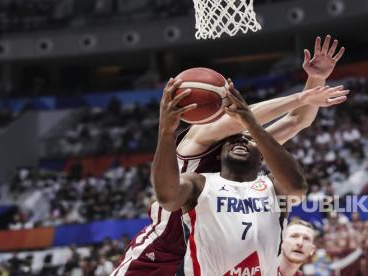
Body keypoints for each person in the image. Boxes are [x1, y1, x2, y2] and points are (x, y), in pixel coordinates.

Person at [112, 35, 347, 275]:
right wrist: (300, 97)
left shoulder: (248, 148)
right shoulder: (199, 137)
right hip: (165, 248)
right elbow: (238, 119)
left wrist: (316, 78)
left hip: (210, 253)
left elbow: (298, 120)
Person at [154, 77, 307, 275]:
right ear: (219, 154)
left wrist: (252, 124)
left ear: (261, 154)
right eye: (232, 141)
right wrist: (166, 133)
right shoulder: (199, 184)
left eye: (248, 140)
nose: (240, 142)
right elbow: (166, 197)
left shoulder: (273, 187)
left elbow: (297, 187)